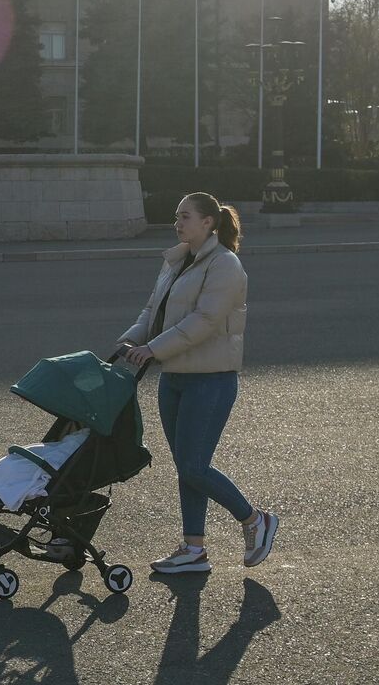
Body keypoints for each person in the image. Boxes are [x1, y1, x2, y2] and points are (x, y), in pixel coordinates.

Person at [114, 191, 277, 574]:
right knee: (187, 466)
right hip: (175, 378)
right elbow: (153, 311)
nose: (177, 223)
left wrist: (152, 349)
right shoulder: (177, 261)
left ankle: (255, 520)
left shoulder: (225, 265)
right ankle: (193, 549)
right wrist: (131, 340)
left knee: (193, 466)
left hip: (210, 380)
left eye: (185, 216)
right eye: (176, 216)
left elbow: (204, 321)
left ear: (208, 222)